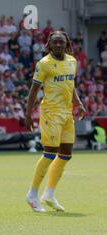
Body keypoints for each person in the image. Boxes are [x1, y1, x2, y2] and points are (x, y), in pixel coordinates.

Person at [25, 31, 86, 213]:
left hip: (67, 112)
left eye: (61, 42)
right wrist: (28, 114)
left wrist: (79, 103)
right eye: (55, 42)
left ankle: (49, 194)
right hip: (51, 112)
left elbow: (70, 85)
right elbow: (34, 89)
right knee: (50, 152)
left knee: (66, 154)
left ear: (66, 43)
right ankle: (32, 194)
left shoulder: (72, 61)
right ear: (49, 44)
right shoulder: (43, 64)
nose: (58, 45)